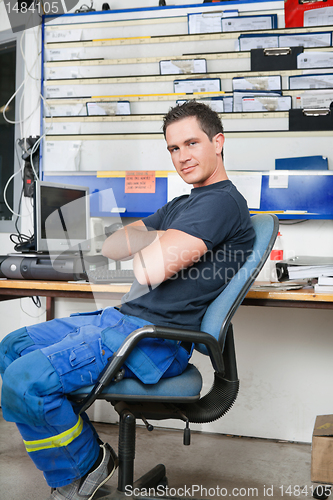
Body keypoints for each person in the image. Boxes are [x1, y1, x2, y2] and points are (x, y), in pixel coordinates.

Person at [0, 101, 255, 500]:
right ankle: (75, 450)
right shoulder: (184, 205)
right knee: (12, 348)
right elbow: (114, 244)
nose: (182, 156)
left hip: (152, 339)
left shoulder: (220, 202)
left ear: (217, 142)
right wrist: (163, 239)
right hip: (121, 319)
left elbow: (145, 271)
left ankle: (84, 466)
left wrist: (157, 241)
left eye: (191, 143)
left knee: (22, 380)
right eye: (173, 148)